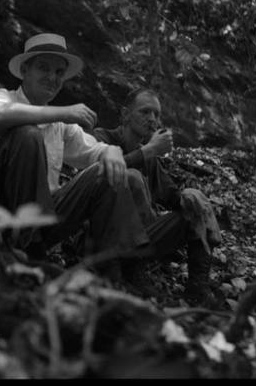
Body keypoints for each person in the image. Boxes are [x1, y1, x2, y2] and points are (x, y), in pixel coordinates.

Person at [0, 33, 217, 304]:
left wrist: (112, 152)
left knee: (106, 170)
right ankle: (30, 253)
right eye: (43, 68)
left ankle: (110, 276)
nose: (52, 78)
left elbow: (94, 150)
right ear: (24, 70)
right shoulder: (1, 97)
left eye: (59, 72)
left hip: (36, 232)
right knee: (26, 135)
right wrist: (65, 112)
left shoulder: (61, 128)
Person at [93, 87, 222, 303]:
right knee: (131, 176)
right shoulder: (102, 137)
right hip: (102, 241)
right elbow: (97, 174)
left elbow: (172, 197)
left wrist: (191, 199)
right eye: (145, 112)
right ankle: (124, 273)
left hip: (141, 243)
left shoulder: (150, 158)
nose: (152, 119)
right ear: (125, 114)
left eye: (157, 114)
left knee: (194, 199)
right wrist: (149, 151)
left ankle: (198, 287)